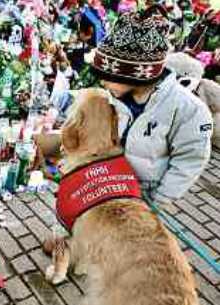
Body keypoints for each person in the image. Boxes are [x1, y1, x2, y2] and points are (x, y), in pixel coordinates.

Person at [90, 6, 213, 205]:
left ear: (134, 75)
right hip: (110, 184)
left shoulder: (188, 109)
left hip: (145, 196)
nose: (103, 82)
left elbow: (190, 159)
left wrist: (160, 199)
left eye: (108, 77)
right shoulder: (115, 95)